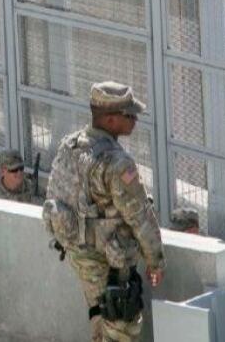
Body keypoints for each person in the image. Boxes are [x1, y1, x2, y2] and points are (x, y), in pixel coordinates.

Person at [43, 81, 164, 342]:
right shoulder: (117, 164)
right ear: (110, 120)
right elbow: (140, 216)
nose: (134, 120)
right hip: (110, 260)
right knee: (122, 327)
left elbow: (55, 193)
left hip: (79, 254)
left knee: (100, 315)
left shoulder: (71, 145)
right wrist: (155, 260)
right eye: (129, 115)